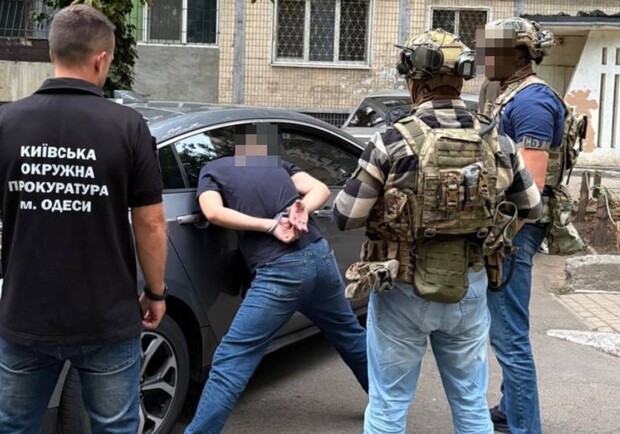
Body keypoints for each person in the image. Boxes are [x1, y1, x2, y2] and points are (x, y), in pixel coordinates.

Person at [334, 29, 543, 434]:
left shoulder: (392, 139)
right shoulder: (497, 139)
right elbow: (532, 208)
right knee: (470, 404)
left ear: (416, 81)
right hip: (470, 285)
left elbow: (347, 215)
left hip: (401, 287)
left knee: (389, 405)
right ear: (461, 78)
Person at [0, 5, 167, 433]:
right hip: (106, 316)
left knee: (13, 427)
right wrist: (155, 292)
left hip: (24, 313)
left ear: (52, 53)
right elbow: (150, 223)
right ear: (101, 58)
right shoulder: (128, 126)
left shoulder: (6, 122)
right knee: (114, 427)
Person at [184, 124, 367, 434]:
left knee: (232, 359)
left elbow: (213, 213)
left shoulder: (212, 169)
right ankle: (389, 409)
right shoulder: (277, 164)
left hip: (278, 273)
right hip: (320, 256)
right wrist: (301, 210)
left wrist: (270, 225)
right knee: (349, 334)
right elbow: (321, 190)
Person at [477, 18, 564, 434]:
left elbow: (531, 187)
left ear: (518, 53)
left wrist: (501, 237)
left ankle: (524, 426)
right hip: (505, 226)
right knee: (505, 329)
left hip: (516, 230)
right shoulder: (507, 94)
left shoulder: (532, 103)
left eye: (490, 49)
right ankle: (511, 409)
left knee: (510, 335)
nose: (482, 57)